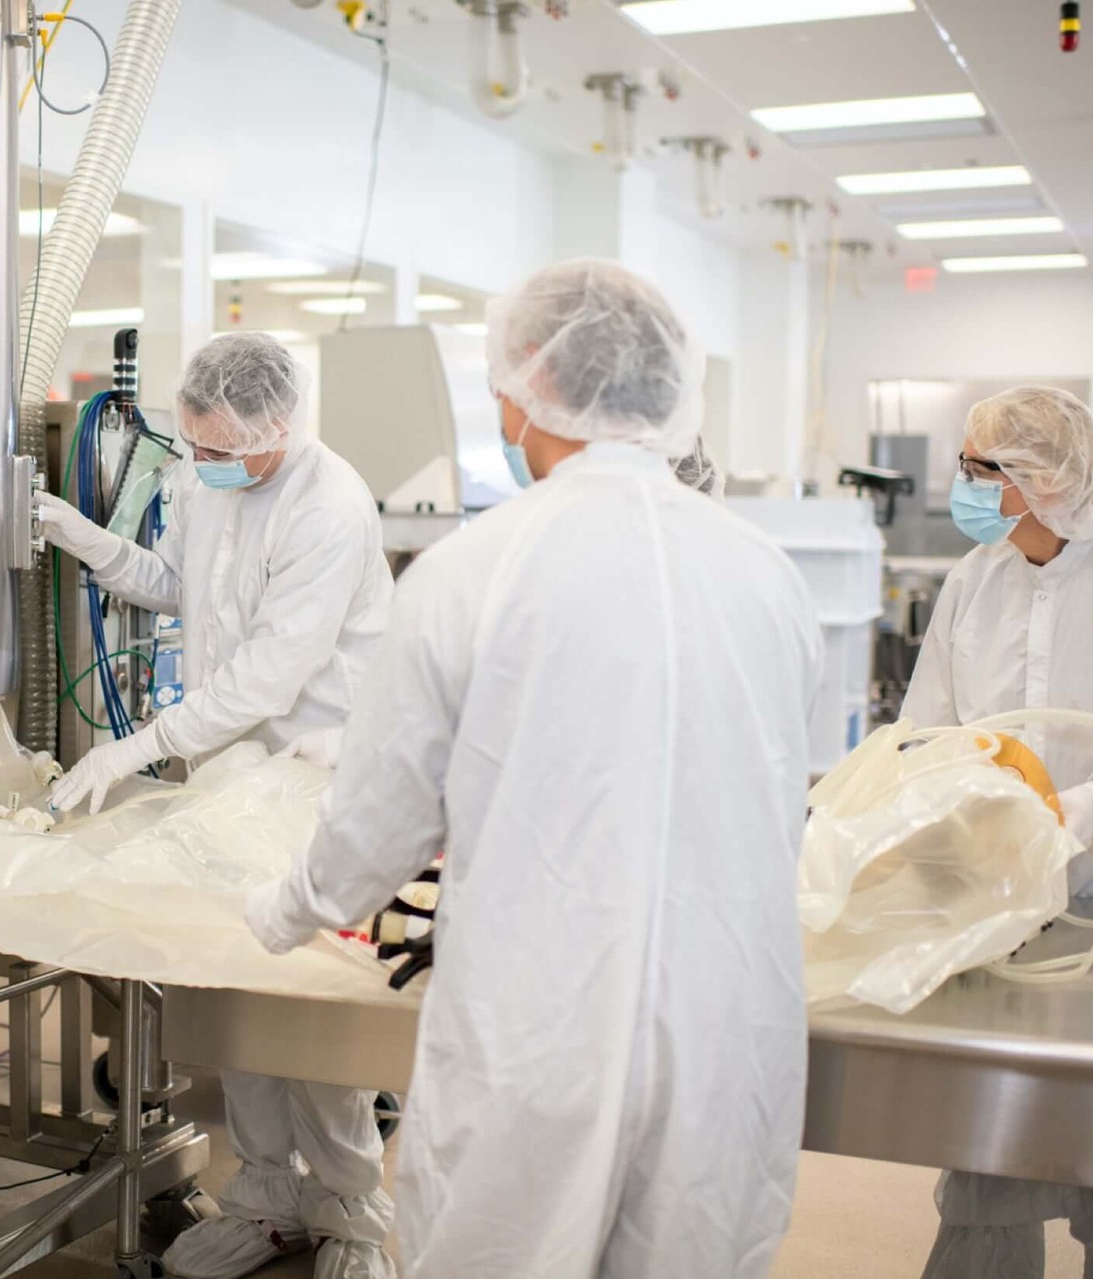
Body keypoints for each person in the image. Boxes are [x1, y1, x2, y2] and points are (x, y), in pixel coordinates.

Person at [245, 259, 823, 1279]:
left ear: (525, 385)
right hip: (729, 1032)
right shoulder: (766, 574)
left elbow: (375, 833)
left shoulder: (476, 568)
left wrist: (281, 911)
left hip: (538, 1027)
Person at [33, 331, 395, 1279]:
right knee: (236, 986)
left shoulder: (330, 511)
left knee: (310, 1006)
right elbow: (178, 591)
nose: (200, 465)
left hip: (317, 778)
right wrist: (91, 540)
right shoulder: (208, 479)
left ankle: (351, 1211)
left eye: (220, 451)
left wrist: (132, 751)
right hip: (232, 781)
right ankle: (269, 1193)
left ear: (277, 428)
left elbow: (267, 680)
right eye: (192, 447)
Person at [905, 386, 1093, 1279]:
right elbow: (926, 732)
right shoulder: (974, 577)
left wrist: (1085, 805)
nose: (961, 484)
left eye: (975, 468)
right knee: (988, 1160)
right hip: (1002, 910)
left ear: (1037, 480)